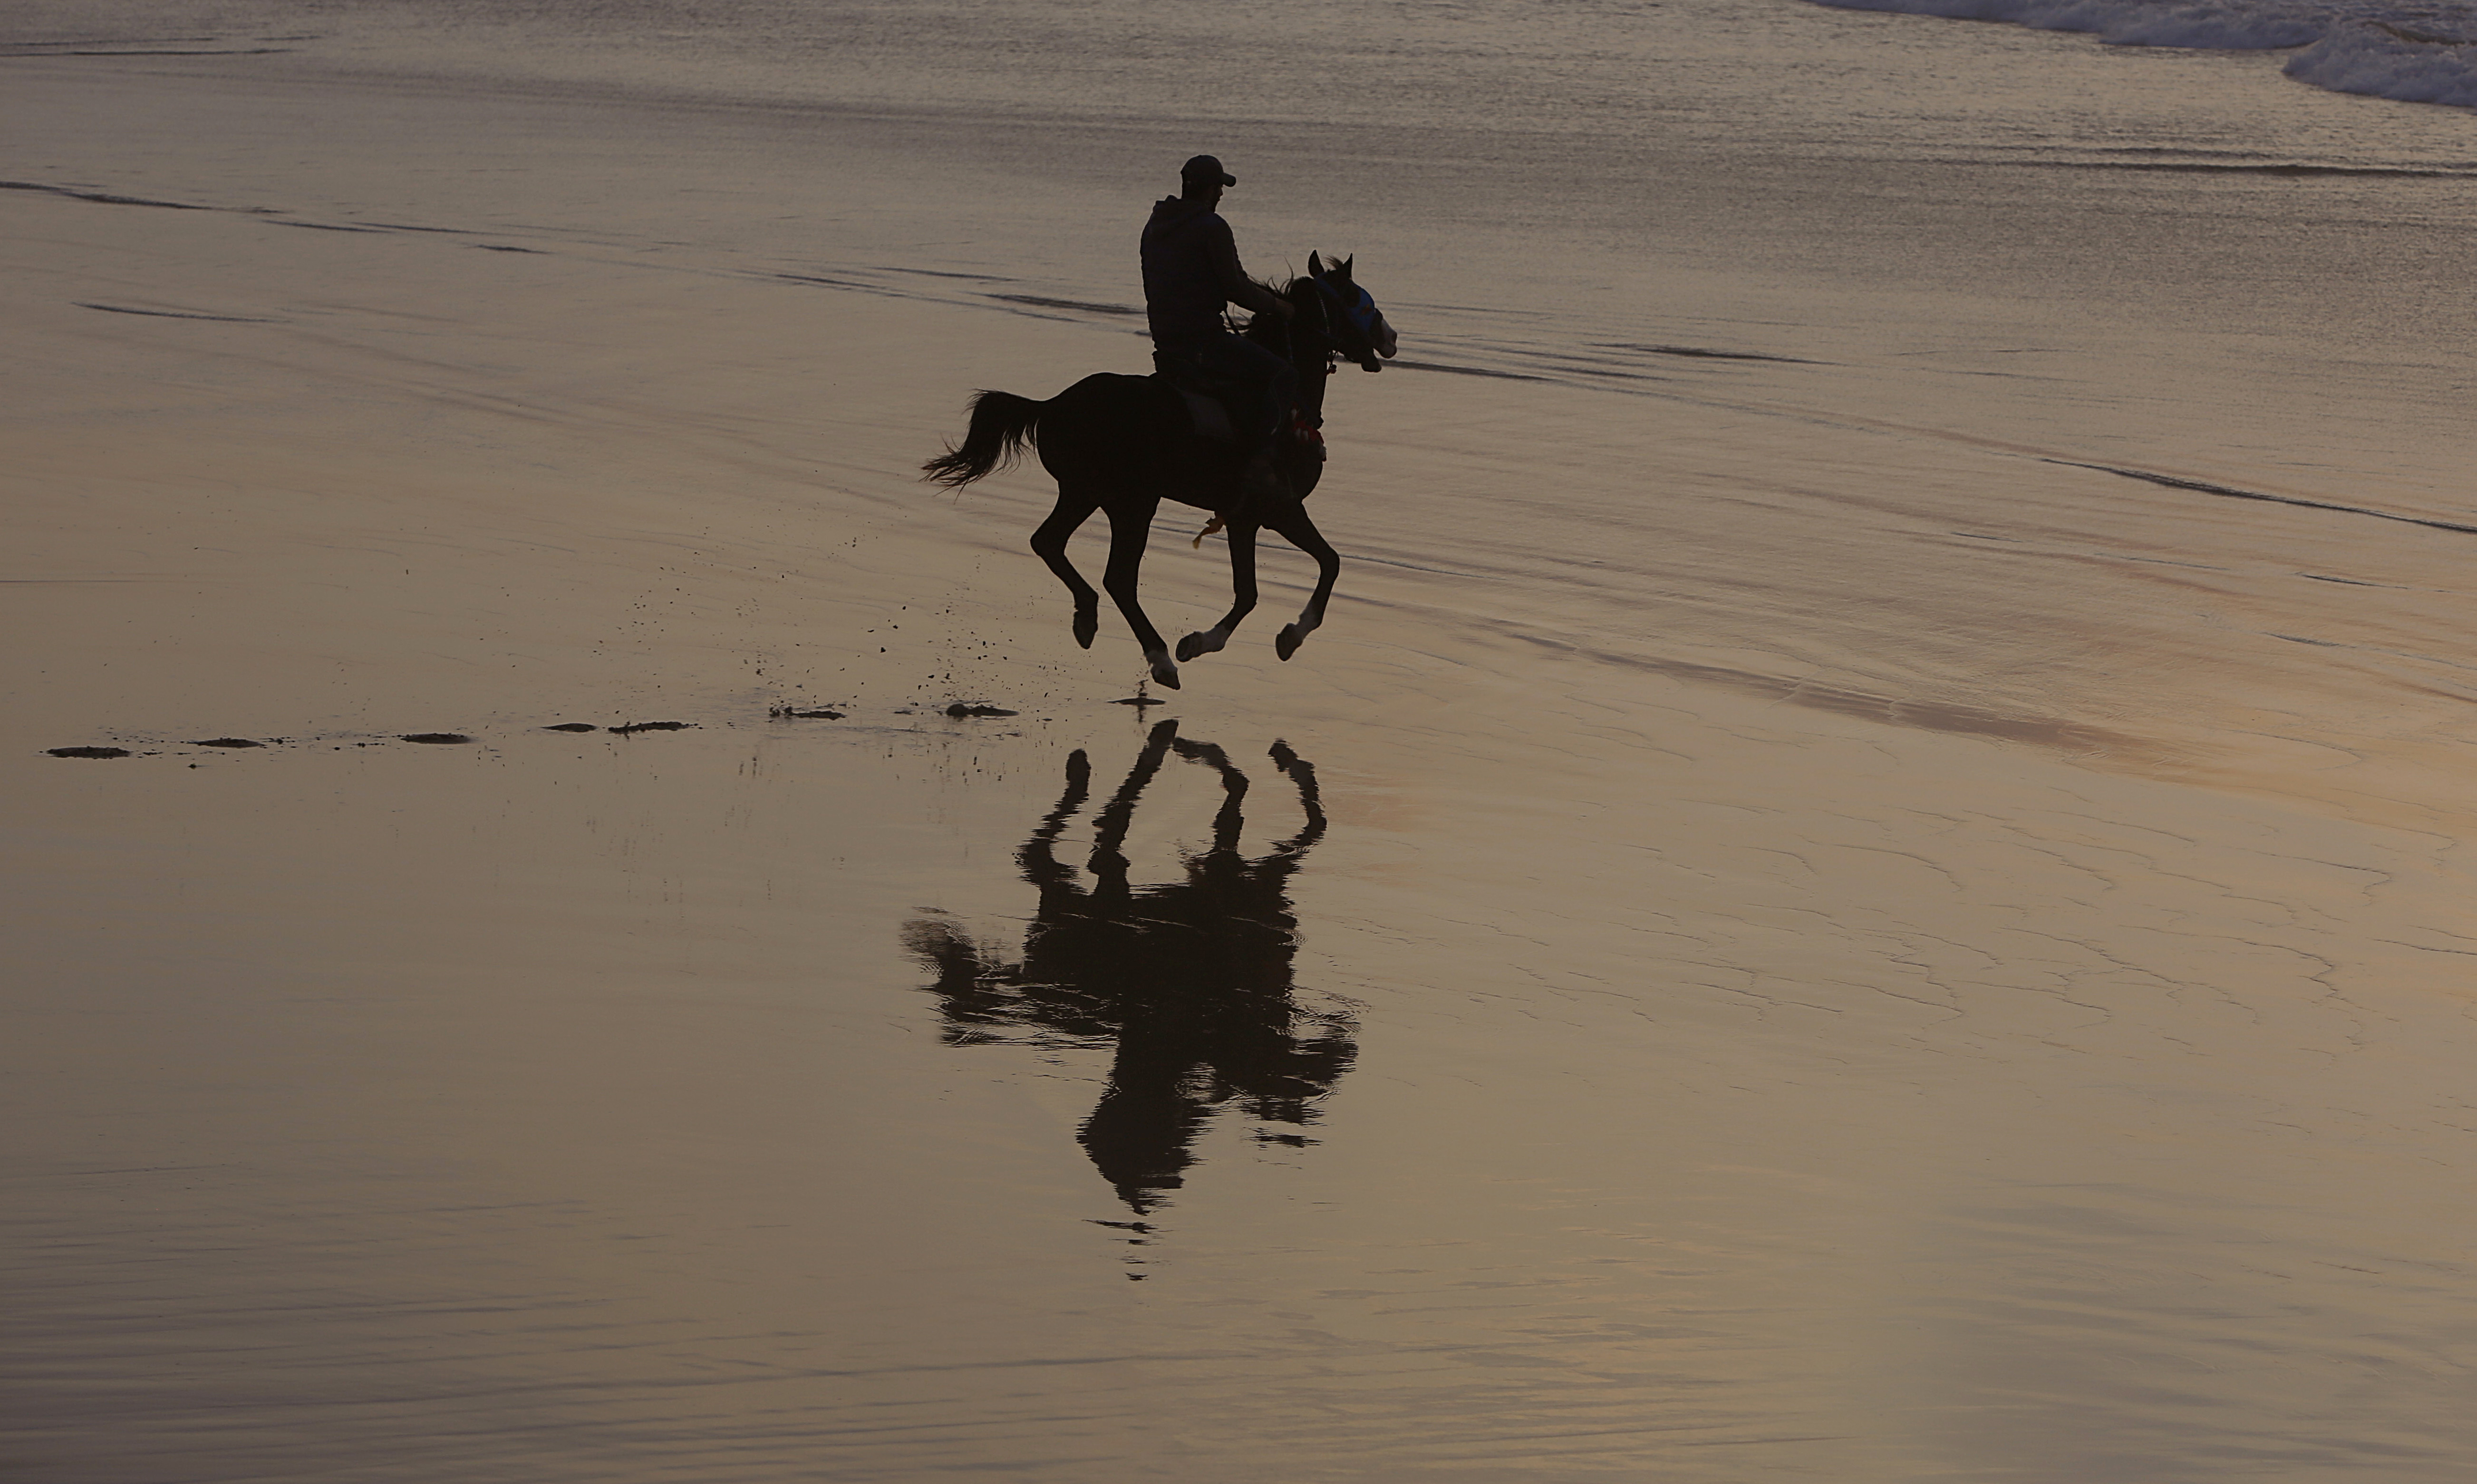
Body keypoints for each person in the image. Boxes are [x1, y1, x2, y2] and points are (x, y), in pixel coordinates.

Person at [1140, 155, 1297, 497]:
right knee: (1283, 374)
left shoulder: (1155, 226)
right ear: (1211, 190)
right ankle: (1261, 459)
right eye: (1220, 189)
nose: (1222, 196)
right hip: (1202, 340)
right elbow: (1235, 287)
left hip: (1164, 341)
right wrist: (1278, 307)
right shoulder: (1213, 227)